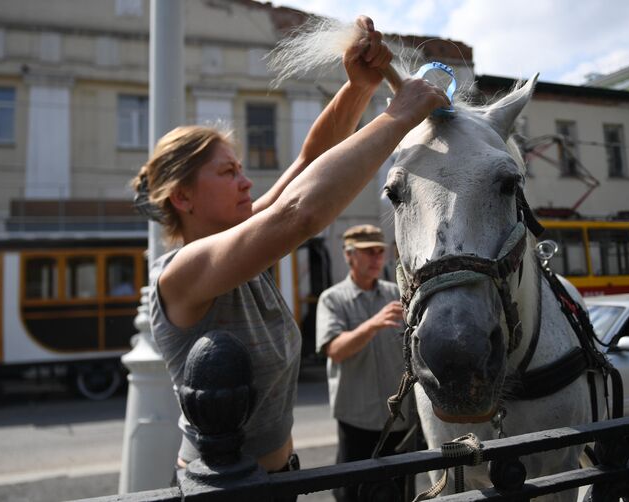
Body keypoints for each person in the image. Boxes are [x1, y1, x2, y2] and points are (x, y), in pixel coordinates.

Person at [131, 15, 449, 484]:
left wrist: (357, 88)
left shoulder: (240, 242)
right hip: (225, 489)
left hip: (273, 478)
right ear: (183, 198)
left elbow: (308, 162)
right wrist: (399, 115)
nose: (246, 182)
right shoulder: (182, 270)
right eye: (227, 173)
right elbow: (300, 211)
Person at [316, 224, 410, 502]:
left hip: (399, 421)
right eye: (368, 251)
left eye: (380, 251)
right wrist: (372, 324)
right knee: (352, 493)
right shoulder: (332, 299)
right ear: (348, 255)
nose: (376, 258)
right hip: (358, 421)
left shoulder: (396, 293)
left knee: (398, 491)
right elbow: (335, 350)